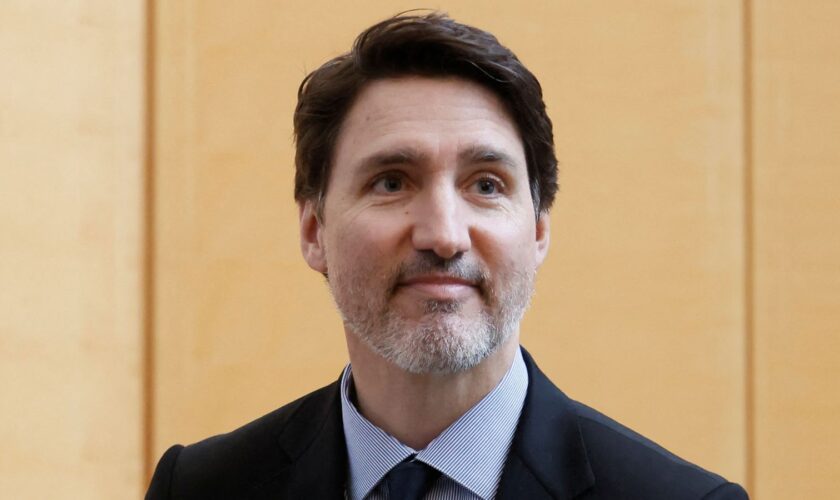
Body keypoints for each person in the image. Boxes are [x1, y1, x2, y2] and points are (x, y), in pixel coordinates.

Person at [146, 12, 749, 500]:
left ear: (539, 230)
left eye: (486, 185)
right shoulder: (200, 489)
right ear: (313, 230)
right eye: (391, 182)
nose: (443, 234)